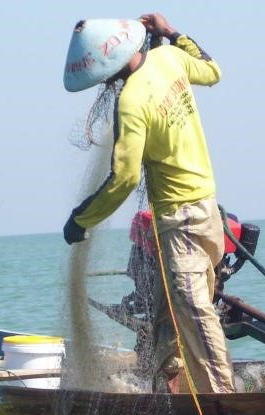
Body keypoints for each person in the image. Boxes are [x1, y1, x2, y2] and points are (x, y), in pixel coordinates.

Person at [62, 13, 235, 394]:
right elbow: (213, 70)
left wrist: (81, 219)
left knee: (193, 314)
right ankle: (168, 391)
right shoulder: (169, 58)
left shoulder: (131, 102)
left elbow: (123, 179)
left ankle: (224, 405)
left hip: (181, 221)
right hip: (208, 213)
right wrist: (172, 33)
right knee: (169, 314)